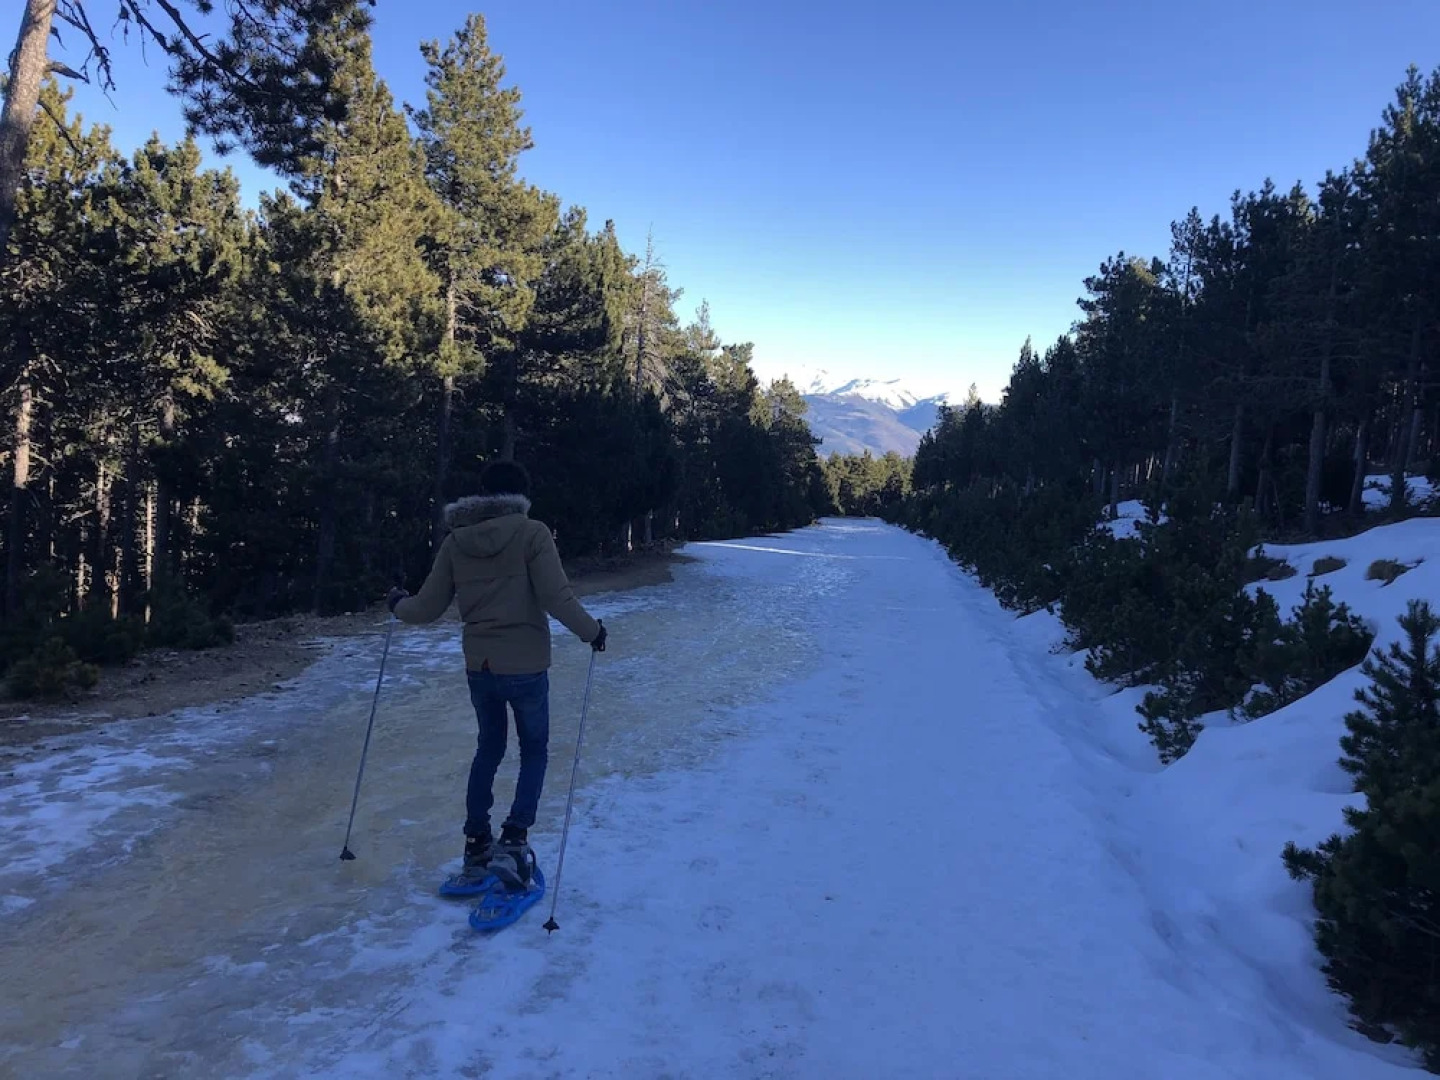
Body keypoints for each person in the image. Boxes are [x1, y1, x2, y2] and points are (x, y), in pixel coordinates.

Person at [386, 460, 606, 891]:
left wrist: (397, 603)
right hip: (525, 665)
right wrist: (593, 632)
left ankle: (476, 843)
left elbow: (426, 608)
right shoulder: (532, 533)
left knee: (489, 748)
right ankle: (514, 840)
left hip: (480, 667)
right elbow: (556, 597)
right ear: (520, 495)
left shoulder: (455, 542)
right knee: (535, 750)